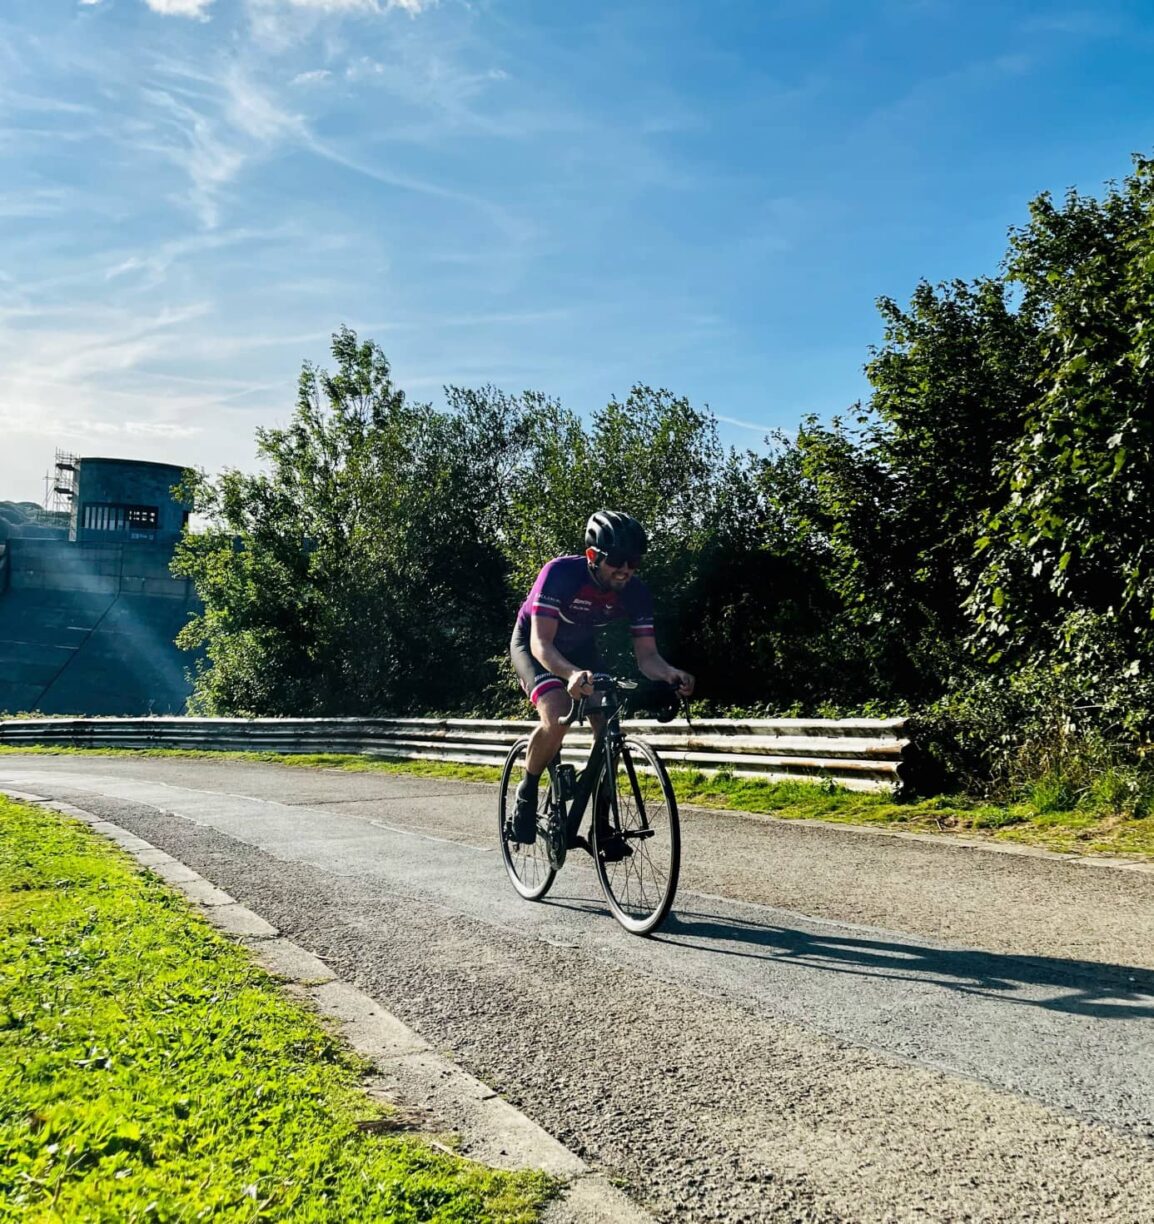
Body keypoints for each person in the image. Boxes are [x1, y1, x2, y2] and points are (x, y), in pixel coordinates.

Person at [508, 510, 695, 855]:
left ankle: (602, 827)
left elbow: (647, 657)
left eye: (634, 562)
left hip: (581, 648)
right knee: (557, 711)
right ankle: (527, 789)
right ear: (593, 556)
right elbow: (541, 644)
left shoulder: (635, 592)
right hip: (535, 644)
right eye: (618, 561)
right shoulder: (561, 574)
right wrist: (569, 675)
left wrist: (670, 673)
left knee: (608, 728)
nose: (626, 570)